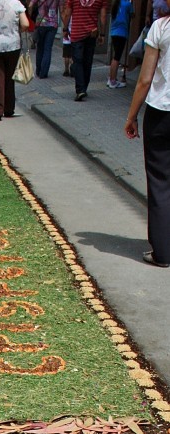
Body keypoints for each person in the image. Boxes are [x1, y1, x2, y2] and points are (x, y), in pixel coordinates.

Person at [124, 0, 170, 265]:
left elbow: (144, 78)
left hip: (162, 112)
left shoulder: (160, 27)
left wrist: (132, 116)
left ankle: (162, 252)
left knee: (161, 183)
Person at [61, 0, 107, 100]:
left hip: (77, 33)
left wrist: (65, 29)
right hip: (92, 33)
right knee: (88, 61)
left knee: (77, 61)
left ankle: (80, 89)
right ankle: (84, 88)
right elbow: (103, 16)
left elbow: (68, 13)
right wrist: (102, 34)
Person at [108, 0, 133, 85]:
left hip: (114, 32)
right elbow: (133, 14)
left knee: (115, 56)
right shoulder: (127, 4)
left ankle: (111, 78)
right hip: (122, 32)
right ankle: (113, 81)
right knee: (117, 57)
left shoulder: (115, 3)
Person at [34, 0, 59, 75]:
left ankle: (38, 71)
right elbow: (62, 9)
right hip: (53, 24)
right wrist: (65, 27)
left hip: (41, 23)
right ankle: (44, 73)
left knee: (40, 48)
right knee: (47, 49)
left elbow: (30, 5)